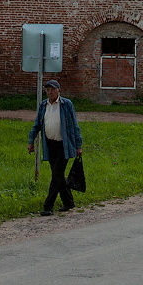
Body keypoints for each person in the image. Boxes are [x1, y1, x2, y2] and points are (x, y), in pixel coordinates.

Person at [28, 79, 83, 216]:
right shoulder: (43, 106)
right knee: (58, 176)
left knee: (56, 176)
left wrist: (78, 145)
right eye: (48, 89)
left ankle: (48, 206)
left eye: (53, 89)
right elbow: (37, 125)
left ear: (59, 90)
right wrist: (31, 141)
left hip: (63, 146)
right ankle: (69, 202)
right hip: (50, 145)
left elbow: (75, 126)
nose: (50, 92)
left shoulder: (66, 104)